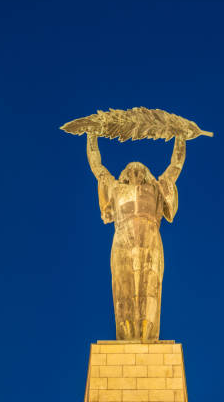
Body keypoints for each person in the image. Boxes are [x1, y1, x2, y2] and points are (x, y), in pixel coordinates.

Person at [86, 134, 185, 340]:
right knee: (123, 287)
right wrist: (91, 136)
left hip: (149, 237)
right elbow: (98, 168)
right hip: (123, 237)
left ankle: (147, 334)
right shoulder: (116, 189)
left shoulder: (155, 189)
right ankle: (126, 333)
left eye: (139, 170)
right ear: (125, 173)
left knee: (150, 286)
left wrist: (181, 137)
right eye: (131, 169)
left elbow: (175, 167)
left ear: (145, 173)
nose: (135, 172)